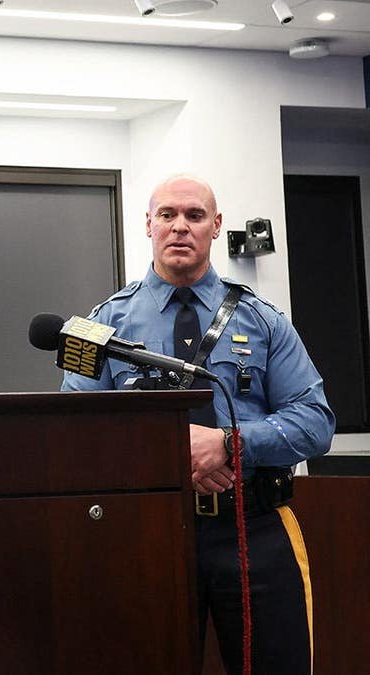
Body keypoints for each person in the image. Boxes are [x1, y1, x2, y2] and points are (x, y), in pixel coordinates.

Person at [63, 175, 334, 674]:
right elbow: (74, 436)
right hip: (147, 532)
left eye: (194, 216)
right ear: (148, 225)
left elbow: (316, 422)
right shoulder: (101, 326)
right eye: (167, 215)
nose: (180, 227)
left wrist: (230, 445)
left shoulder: (265, 321)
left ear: (216, 227)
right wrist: (172, 455)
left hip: (252, 527)